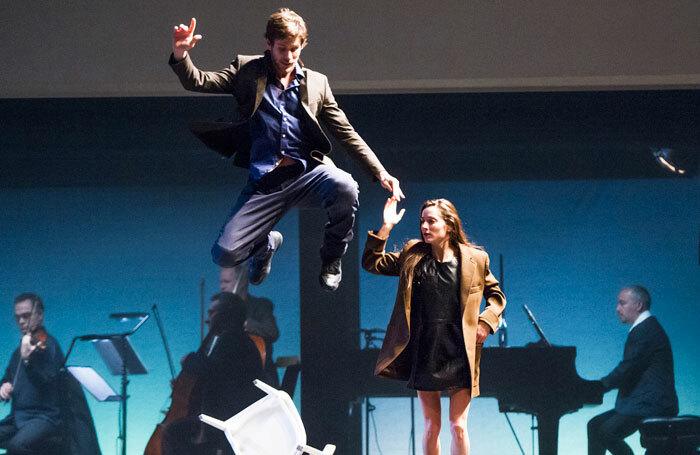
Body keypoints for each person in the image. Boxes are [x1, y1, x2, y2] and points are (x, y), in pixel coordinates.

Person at [169, 8, 404, 292]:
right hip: (265, 182)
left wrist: (379, 171)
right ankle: (267, 244)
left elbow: (345, 131)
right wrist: (182, 55)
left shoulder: (317, 83)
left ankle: (331, 259)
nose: (289, 57)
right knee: (224, 254)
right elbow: (199, 81)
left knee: (346, 186)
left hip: (308, 173)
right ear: (268, 44)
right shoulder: (248, 70)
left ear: (302, 45)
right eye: (282, 49)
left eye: (295, 49)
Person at [362, 198, 506, 455]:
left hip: (460, 350)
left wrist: (486, 322)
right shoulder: (412, 254)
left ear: (449, 225)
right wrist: (386, 226)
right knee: (431, 426)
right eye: (422, 222)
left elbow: (496, 297)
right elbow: (372, 263)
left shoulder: (476, 258)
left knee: (458, 426)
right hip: (426, 348)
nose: (425, 227)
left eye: (431, 221)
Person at [161, 292, 264, 455]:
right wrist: (185, 387)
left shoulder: (233, 340)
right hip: (229, 417)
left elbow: (214, 372)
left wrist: (189, 360)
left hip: (227, 420)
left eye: (212, 313)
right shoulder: (236, 340)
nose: (208, 319)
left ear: (226, 314)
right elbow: (219, 375)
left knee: (173, 433)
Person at [587, 285, 678, 455]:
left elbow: (627, 368)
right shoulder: (645, 328)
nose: (617, 308)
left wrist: (599, 386)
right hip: (641, 402)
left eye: (622, 303)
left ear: (638, 305)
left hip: (653, 404)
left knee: (606, 432)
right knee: (594, 426)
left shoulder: (646, 330)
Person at [0, 293, 65, 455]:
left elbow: (47, 379)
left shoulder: (50, 346)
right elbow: (8, 377)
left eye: (26, 316)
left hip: (44, 418)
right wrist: (4, 386)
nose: (21, 321)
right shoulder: (19, 351)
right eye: (18, 317)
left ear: (40, 315)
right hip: (18, 418)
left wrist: (29, 361)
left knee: (16, 446)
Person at [220, 265, 280, 387]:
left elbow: (272, 331)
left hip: (257, 379)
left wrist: (244, 324)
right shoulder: (221, 312)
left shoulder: (260, 305)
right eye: (221, 282)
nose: (222, 286)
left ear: (241, 282)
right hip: (229, 381)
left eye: (226, 281)